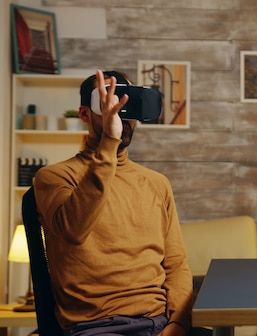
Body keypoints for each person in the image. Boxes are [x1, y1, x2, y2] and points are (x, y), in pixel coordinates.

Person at [33, 70, 193, 336]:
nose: (119, 112)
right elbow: (74, 230)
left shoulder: (156, 183)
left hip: (160, 323)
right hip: (96, 326)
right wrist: (109, 140)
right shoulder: (55, 177)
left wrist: (179, 322)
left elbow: (176, 264)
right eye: (107, 103)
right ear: (85, 114)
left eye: (125, 104)